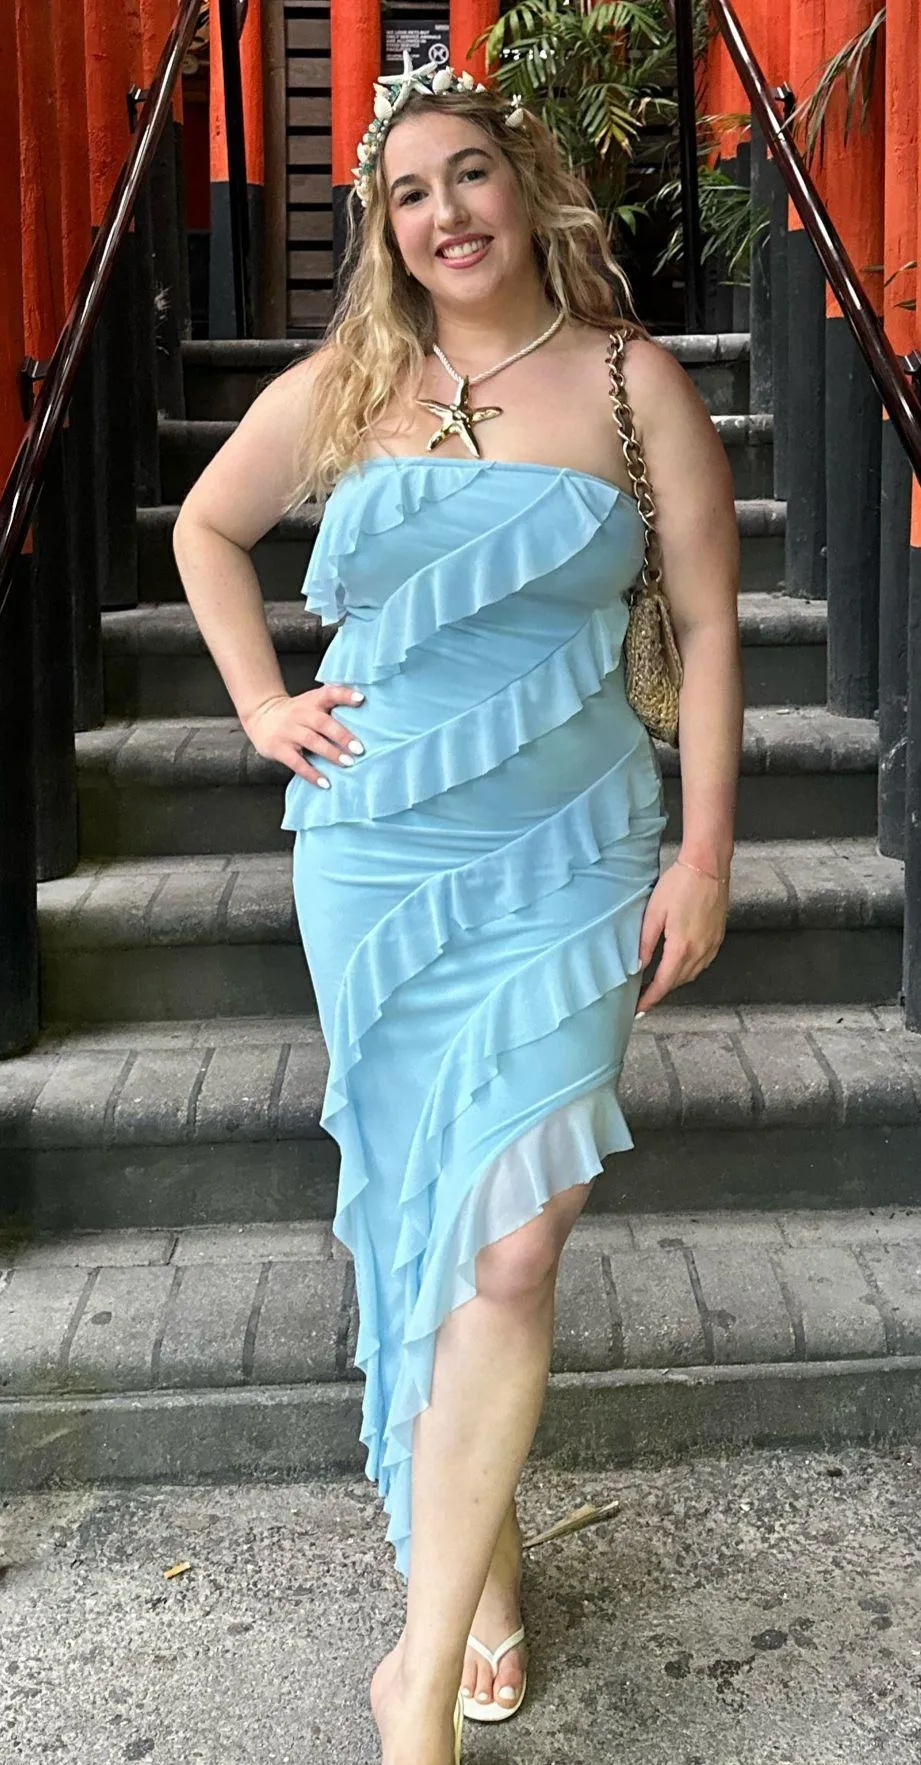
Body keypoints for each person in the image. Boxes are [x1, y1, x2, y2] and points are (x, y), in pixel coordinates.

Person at [172, 54, 742, 1765]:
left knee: (517, 1233)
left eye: (467, 174)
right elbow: (208, 528)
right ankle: (467, 1586)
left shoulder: (634, 380)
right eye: (408, 194)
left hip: (572, 847)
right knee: (423, 1209)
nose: (445, 214)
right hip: (376, 851)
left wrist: (706, 854)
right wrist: (262, 705)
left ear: (524, 181)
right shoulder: (351, 380)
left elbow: (712, 627)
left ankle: (410, 1678)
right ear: (386, 228)